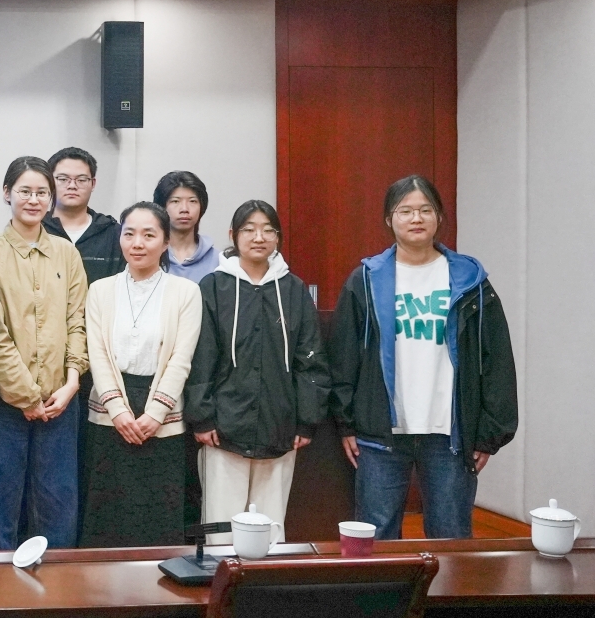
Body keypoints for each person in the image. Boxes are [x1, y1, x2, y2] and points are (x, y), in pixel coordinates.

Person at [330, 175, 517, 540]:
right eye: (405, 211)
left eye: (425, 210)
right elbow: (343, 356)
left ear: (438, 217)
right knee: (376, 538)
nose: (416, 218)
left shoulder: (471, 281)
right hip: (380, 433)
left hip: (451, 434)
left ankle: (446, 585)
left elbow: (497, 360)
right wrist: (346, 423)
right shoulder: (366, 280)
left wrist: (489, 434)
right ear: (389, 219)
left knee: (451, 537)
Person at [186, 201, 328, 544]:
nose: (259, 237)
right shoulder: (213, 287)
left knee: (270, 529)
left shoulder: (293, 289)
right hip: (223, 430)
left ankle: (267, 580)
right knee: (221, 530)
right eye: (249, 229)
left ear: (278, 237)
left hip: (280, 427)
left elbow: (311, 357)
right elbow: (201, 356)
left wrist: (306, 420)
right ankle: (220, 578)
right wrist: (202, 418)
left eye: (268, 230)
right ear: (233, 235)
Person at [0, 156, 88, 551]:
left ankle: (55, 583)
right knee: (0, 502)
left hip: (61, 402)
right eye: (25, 191)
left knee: (58, 501)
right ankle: (1, 583)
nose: (34, 199)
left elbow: (78, 321)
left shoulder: (66, 253)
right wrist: (27, 396)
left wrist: (72, 382)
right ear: (7, 194)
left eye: (42, 192)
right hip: (2, 403)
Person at [80, 202, 202, 547]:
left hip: (162, 417)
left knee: (158, 515)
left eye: (149, 235)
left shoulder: (186, 292)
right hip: (109, 416)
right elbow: (98, 355)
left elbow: (181, 358)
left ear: (166, 242)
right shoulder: (100, 290)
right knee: (108, 514)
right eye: (129, 233)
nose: (137, 243)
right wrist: (118, 411)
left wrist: (155, 414)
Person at [44, 148, 121, 283]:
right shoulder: (36, 229)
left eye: (81, 179)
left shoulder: (114, 234)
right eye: (63, 179)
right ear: (49, 182)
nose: (72, 186)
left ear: (93, 184)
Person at [156, 171, 220, 281]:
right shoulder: (151, 256)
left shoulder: (218, 261)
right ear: (162, 207)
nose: (184, 209)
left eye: (192, 201)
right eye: (175, 201)